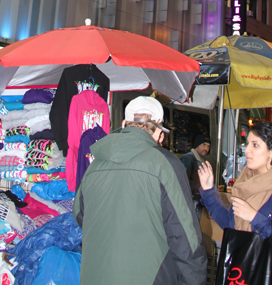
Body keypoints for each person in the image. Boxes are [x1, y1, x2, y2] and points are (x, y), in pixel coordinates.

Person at [73, 95, 207, 285]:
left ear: (123, 124)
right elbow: (185, 238)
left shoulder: (95, 166)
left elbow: (79, 214)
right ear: (160, 132)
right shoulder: (165, 164)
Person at [197, 120, 272, 243]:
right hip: (241, 258)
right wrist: (208, 191)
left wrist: (254, 217)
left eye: (255, 145)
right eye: (247, 143)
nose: (247, 150)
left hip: (269, 261)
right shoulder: (245, 182)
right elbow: (230, 225)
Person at [180, 133, 211, 207]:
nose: (206, 149)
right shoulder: (187, 159)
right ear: (197, 145)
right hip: (190, 202)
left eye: (208, 146)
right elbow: (183, 182)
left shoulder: (202, 161)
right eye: (204, 144)